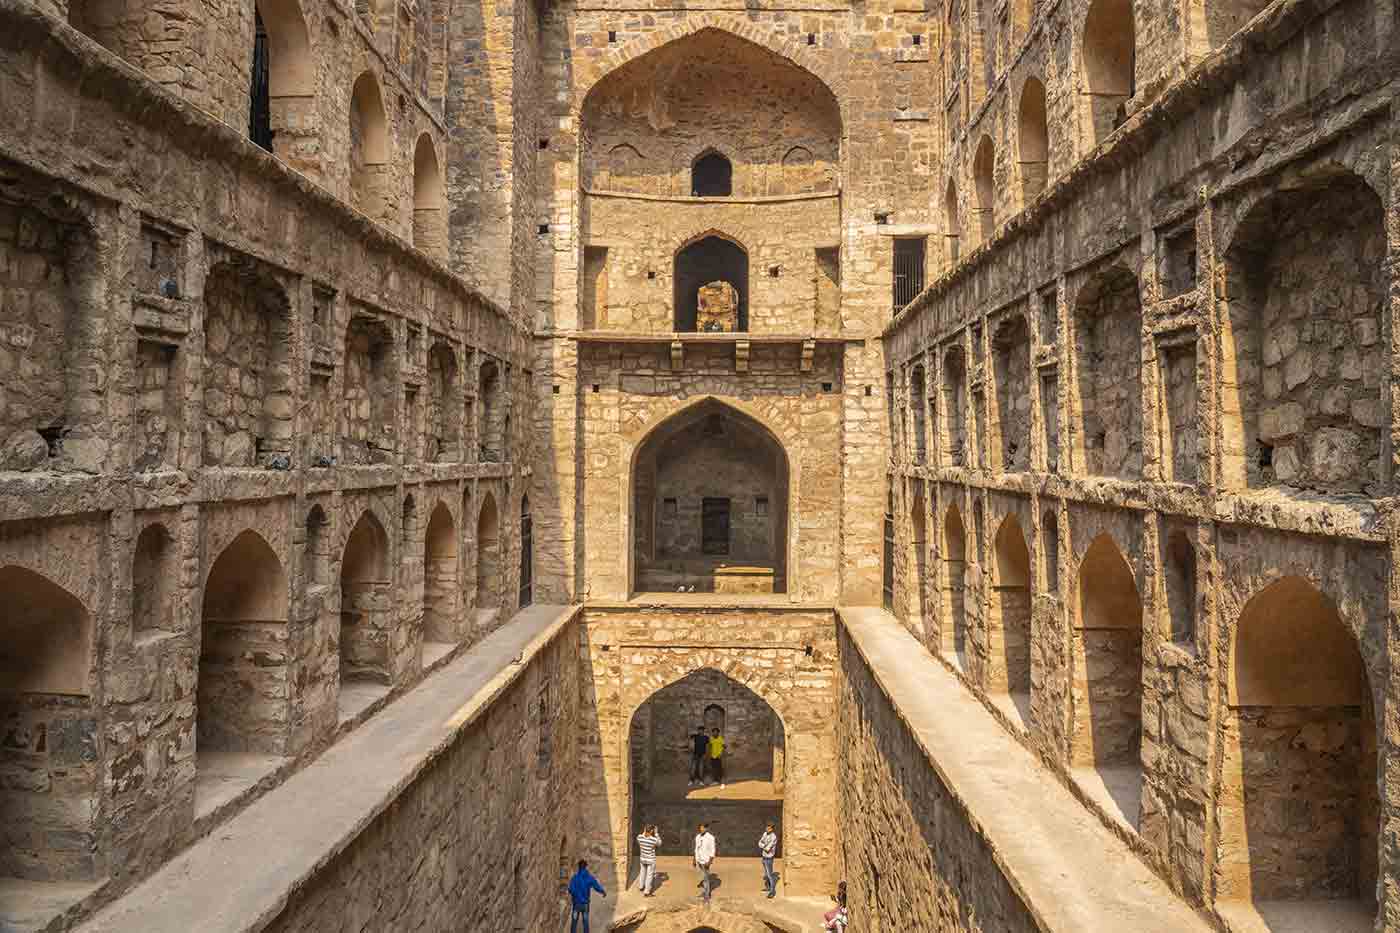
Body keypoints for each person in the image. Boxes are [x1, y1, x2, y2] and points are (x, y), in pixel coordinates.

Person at [567, 859, 606, 933]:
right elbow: (596, 886)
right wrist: (603, 892)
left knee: (574, 921)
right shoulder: (589, 877)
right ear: (585, 867)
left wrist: (575, 895)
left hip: (576, 904)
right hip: (585, 904)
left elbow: (571, 889)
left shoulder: (574, 878)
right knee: (585, 921)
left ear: (579, 867)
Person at [693, 822, 717, 903]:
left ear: (706, 828)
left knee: (706, 879)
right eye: (700, 827)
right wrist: (694, 859)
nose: (701, 829)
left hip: (706, 861)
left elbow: (713, 850)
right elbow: (696, 849)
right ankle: (705, 893)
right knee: (703, 878)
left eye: (703, 828)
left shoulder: (710, 837)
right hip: (699, 860)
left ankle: (707, 896)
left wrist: (709, 862)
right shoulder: (697, 837)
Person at [636, 824, 661, 896]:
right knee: (649, 875)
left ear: (644, 829)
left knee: (642, 872)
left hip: (642, 858)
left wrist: (645, 830)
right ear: (652, 831)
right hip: (650, 859)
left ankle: (641, 886)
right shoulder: (653, 840)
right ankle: (647, 892)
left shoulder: (639, 837)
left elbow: (642, 837)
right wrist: (656, 833)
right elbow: (659, 843)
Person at [758, 822, 778, 898]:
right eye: (766, 827)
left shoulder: (773, 837)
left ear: (772, 829)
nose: (767, 829)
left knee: (770, 875)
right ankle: (768, 887)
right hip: (764, 856)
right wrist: (764, 845)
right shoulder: (765, 834)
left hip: (769, 858)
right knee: (766, 874)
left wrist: (763, 845)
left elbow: (768, 849)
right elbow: (759, 843)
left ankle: (772, 891)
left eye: (769, 828)